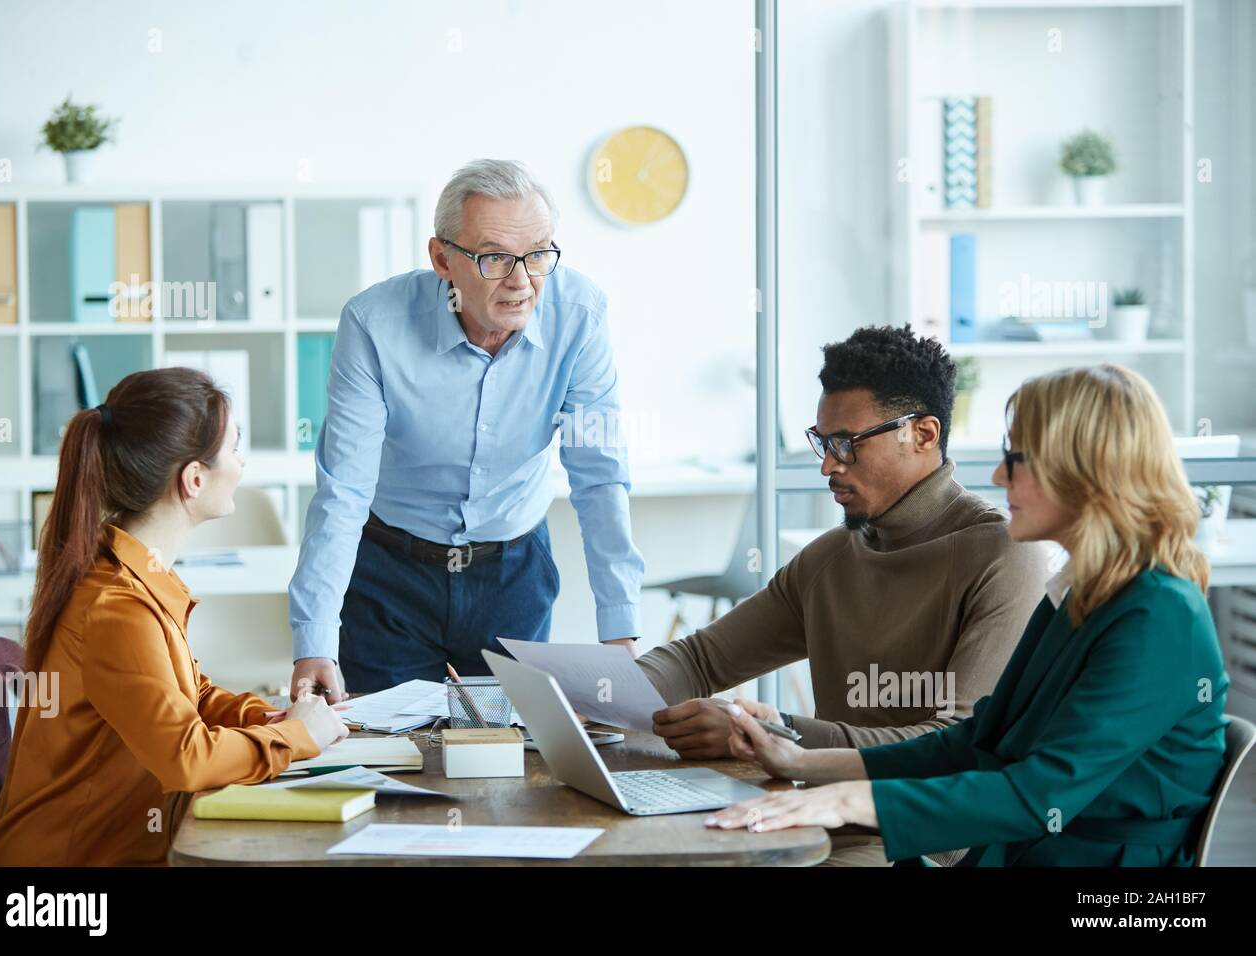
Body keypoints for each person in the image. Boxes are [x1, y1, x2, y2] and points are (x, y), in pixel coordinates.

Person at [708, 364, 1229, 867]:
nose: (1000, 475)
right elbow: (976, 740)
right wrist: (799, 762)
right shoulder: (1086, 590)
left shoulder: (1159, 616)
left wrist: (845, 802)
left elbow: (1035, 795)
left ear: (1085, 474)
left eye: (1017, 459)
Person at [637, 324, 1049, 865]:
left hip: (921, 838)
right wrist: (596, 695)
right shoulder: (829, 558)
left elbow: (955, 743)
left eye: (847, 445)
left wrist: (769, 733)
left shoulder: (1003, 554)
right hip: (817, 811)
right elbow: (700, 659)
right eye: (823, 443)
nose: (829, 465)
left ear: (923, 434)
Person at [288, 159, 645, 702]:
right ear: (442, 259)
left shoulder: (580, 315)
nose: (522, 281)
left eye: (539, 254)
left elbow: (598, 478)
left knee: (515, 762)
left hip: (513, 572)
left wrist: (620, 629)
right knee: (396, 762)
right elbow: (345, 488)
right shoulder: (374, 324)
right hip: (391, 574)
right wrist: (314, 638)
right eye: (495, 257)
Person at [0, 368, 347, 867]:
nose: (242, 462)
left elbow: (189, 696)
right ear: (194, 480)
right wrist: (296, 737)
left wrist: (276, 718)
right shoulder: (117, 607)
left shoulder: (131, 577)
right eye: (235, 448)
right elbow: (186, 759)